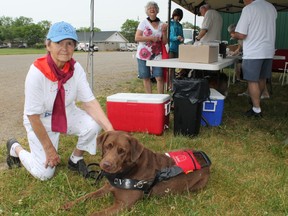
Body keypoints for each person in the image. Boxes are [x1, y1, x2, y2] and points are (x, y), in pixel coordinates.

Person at [6, 21, 114, 181]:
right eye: (59, 42)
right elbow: (33, 116)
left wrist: (111, 131)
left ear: (75, 46)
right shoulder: (36, 73)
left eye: (69, 43)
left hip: (66, 112)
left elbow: (90, 103)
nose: (65, 47)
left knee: (94, 124)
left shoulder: (75, 69)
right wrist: (49, 149)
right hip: (41, 120)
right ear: (48, 45)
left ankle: (75, 159)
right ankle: (15, 148)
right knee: (44, 174)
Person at [231, 0, 276, 117]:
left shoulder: (249, 9)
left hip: (254, 50)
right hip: (268, 49)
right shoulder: (271, 7)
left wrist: (234, 34)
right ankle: (256, 101)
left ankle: (256, 109)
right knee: (262, 78)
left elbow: (241, 34)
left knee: (252, 80)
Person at [135, 1, 168, 94]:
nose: (152, 9)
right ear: (147, 11)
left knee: (159, 77)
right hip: (143, 54)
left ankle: (160, 99)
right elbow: (137, 38)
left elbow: (165, 42)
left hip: (157, 54)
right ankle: (149, 99)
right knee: (146, 77)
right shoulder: (143, 23)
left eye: (154, 8)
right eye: (149, 8)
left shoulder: (162, 24)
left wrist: (164, 32)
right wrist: (150, 38)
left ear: (157, 11)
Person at [168, 8, 184, 90]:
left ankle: (175, 83)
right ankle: (170, 84)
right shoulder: (169, 23)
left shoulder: (180, 25)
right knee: (171, 68)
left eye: (179, 16)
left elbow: (182, 36)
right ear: (173, 15)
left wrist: (182, 39)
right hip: (171, 48)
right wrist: (176, 38)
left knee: (177, 66)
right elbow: (168, 37)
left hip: (178, 48)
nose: (177, 18)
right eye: (176, 15)